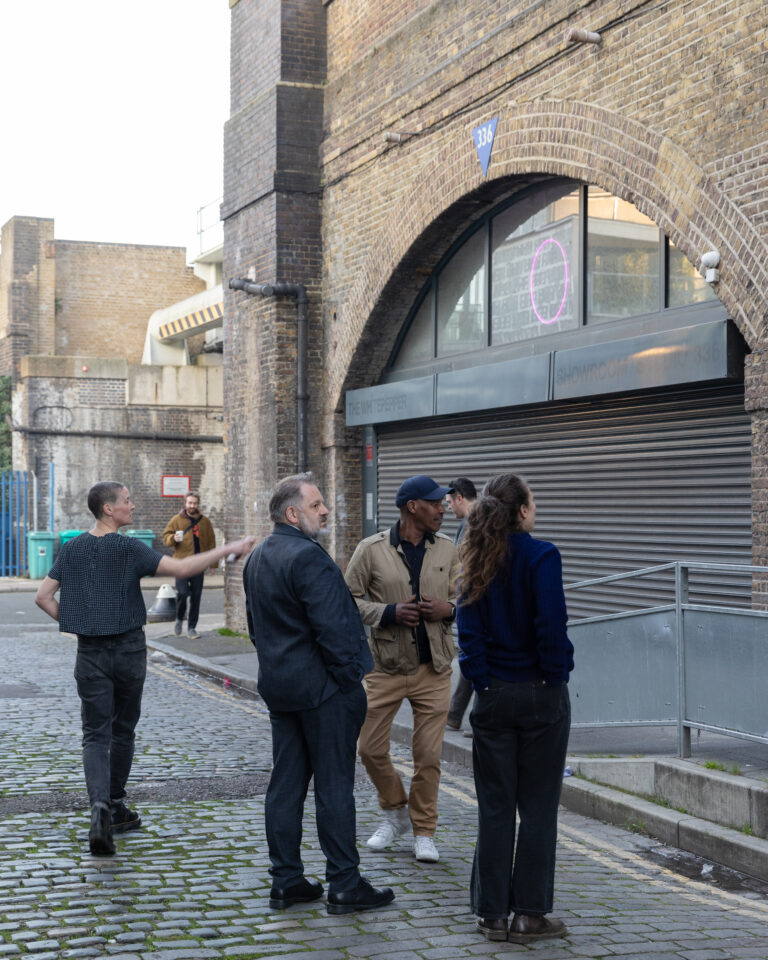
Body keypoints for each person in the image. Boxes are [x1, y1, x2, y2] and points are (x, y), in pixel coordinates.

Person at [34, 481, 255, 857]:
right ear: (108, 509)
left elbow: (42, 597)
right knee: (122, 731)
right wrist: (228, 549)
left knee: (95, 735)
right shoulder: (128, 548)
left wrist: (80, 624)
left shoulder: (72, 549)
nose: (133, 505)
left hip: (90, 653)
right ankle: (115, 806)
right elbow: (182, 567)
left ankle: (99, 809)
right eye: (127, 500)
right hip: (129, 652)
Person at [243, 473, 394, 915]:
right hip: (324, 692)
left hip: (282, 688)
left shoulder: (257, 556)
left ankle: (286, 881)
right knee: (334, 787)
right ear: (293, 513)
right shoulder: (309, 557)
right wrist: (349, 680)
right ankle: (344, 884)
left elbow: (256, 629)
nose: (325, 511)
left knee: (286, 785)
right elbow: (336, 631)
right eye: (316, 505)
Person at [457, 473, 573, 944]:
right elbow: (552, 625)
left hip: (494, 696)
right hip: (541, 694)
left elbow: (468, 634)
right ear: (522, 510)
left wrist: (483, 682)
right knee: (539, 807)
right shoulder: (542, 555)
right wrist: (554, 677)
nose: (535, 507)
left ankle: (492, 916)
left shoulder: (474, 556)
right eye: (533, 501)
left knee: (495, 806)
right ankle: (529, 916)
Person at [345, 475, 460, 864]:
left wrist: (449, 609)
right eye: (435, 503)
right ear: (413, 507)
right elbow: (347, 600)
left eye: (443, 503)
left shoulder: (448, 550)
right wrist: (388, 612)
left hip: (435, 668)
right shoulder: (371, 550)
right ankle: (395, 812)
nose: (442, 509)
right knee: (369, 748)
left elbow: (470, 598)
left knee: (428, 756)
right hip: (385, 667)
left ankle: (424, 831)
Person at [444, 477, 477, 733]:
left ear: (460, 498)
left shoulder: (476, 523)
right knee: (471, 654)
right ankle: (455, 715)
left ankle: (475, 719)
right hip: (469, 598)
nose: (447, 508)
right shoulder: (467, 522)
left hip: (475, 599)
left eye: (449, 502)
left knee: (476, 654)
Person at [162, 492, 216, 640]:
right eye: (190, 503)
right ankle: (179, 619)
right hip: (181, 564)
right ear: (185, 503)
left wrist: (213, 564)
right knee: (183, 592)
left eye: (195, 503)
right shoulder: (176, 520)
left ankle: (192, 628)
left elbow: (211, 543)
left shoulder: (205, 522)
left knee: (196, 597)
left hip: (198, 564)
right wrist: (173, 538)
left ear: (198, 504)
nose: (192, 506)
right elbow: (166, 538)